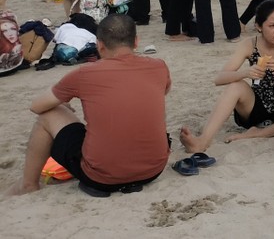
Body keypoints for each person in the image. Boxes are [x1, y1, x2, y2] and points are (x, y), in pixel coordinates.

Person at [6, 14, 170, 196]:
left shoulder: (85, 73)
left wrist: (64, 103)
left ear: (99, 45)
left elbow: (37, 106)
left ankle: (28, 184)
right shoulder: (159, 66)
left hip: (101, 177)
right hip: (153, 170)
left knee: (48, 114)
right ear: (136, 42)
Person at [180, 0, 274, 153]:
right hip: (255, 107)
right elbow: (219, 78)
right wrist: (245, 73)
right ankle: (203, 141)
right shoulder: (250, 44)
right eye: (272, 25)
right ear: (259, 27)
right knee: (236, 86)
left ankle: (259, 133)